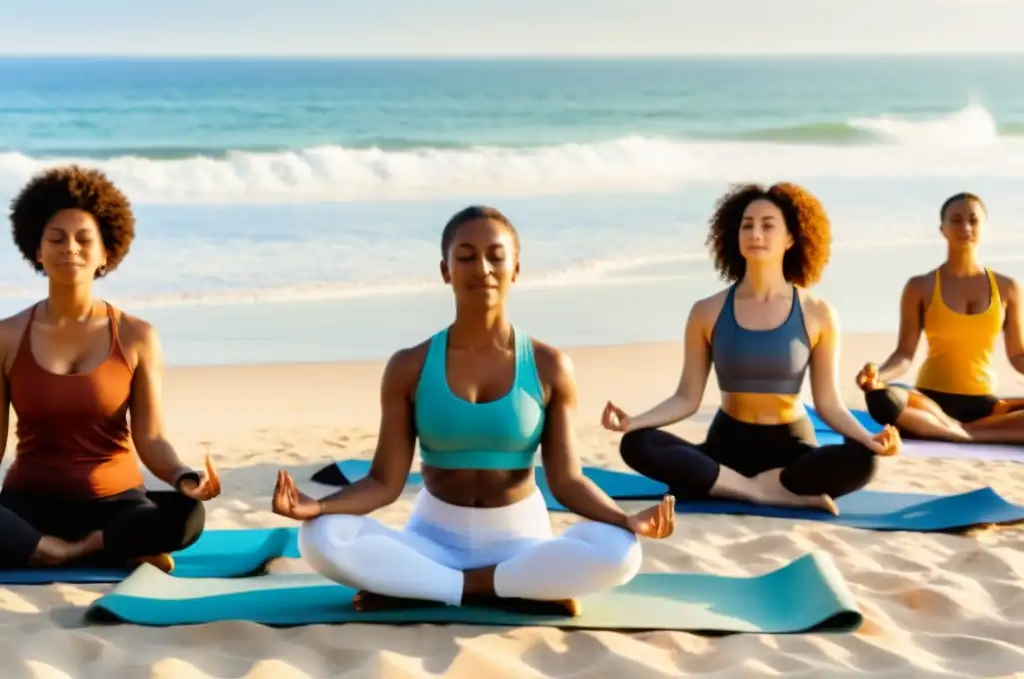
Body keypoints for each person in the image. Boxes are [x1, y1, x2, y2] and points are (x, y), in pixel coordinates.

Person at [272, 205, 674, 615]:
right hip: (431, 541)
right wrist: (318, 507)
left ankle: (425, 588)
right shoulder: (409, 366)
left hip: (521, 544)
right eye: (465, 256)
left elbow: (567, 480)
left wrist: (626, 521)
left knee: (621, 551)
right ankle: (507, 589)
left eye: (495, 256)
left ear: (516, 268)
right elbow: (383, 482)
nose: (481, 267)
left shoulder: (549, 365)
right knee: (319, 537)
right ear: (446, 270)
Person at [602, 183, 900, 515]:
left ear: (790, 238)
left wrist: (868, 438)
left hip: (791, 451)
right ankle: (754, 491)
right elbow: (687, 398)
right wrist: (634, 421)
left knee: (864, 460)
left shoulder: (818, 313)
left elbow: (829, 403)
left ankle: (739, 487)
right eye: (747, 225)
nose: (755, 233)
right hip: (725, 446)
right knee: (638, 443)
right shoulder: (707, 311)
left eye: (768, 225)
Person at [0, 165, 219, 573]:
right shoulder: (7, 337)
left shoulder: (137, 336)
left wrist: (183, 476)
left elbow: (151, 437)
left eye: (85, 239)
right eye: (56, 238)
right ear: (37, 250)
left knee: (189, 516)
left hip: (116, 509)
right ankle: (64, 550)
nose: (71, 248)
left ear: (105, 253)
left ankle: (86, 546)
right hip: (27, 508)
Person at [856, 192, 1024, 444]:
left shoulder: (1008, 288)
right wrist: (879, 376)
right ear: (942, 229)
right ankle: (965, 432)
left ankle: (961, 433)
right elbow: (904, 354)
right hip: (928, 404)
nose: (965, 227)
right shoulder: (920, 286)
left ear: (983, 227)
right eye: (956, 220)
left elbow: (1017, 355)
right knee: (883, 399)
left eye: (973, 220)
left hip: (986, 406)